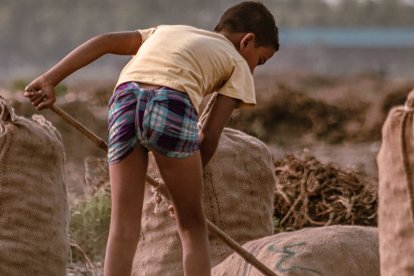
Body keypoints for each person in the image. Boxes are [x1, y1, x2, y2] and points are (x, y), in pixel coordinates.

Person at [24, 1, 279, 275]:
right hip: (171, 102)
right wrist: (182, 186)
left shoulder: (166, 31)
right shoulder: (237, 64)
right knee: (192, 224)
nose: (254, 69)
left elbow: (105, 41)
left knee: (122, 226)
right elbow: (209, 135)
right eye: (260, 60)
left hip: (124, 101)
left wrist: (49, 79)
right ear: (247, 41)